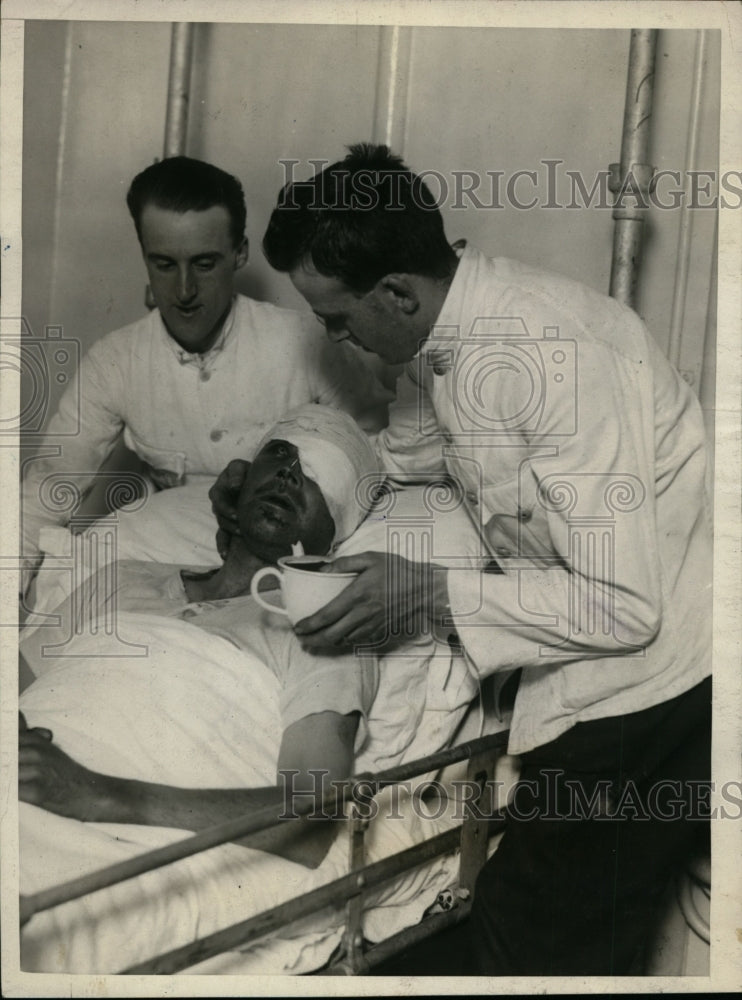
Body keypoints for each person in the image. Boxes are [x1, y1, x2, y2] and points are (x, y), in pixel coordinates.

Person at [211, 143, 713, 975]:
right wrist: (275, 464)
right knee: (553, 938)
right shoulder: (448, 340)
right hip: (592, 678)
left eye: (337, 320)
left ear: (398, 295)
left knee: (529, 948)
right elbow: (414, 458)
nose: (335, 337)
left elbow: (625, 607)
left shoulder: (561, 355)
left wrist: (428, 595)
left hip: (653, 687)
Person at [19, 404, 382, 870]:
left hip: (112, 837)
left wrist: (97, 795)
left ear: (336, 532)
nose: (290, 474)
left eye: (318, 474)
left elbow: (310, 818)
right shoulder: (121, 577)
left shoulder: (324, 629)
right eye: (280, 453)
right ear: (242, 480)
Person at [19, 156, 392, 598]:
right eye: (163, 264)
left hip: (282, 577)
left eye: (204, 263)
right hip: (170, 569)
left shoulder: (305, 341)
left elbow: (379, 462)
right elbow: (44, 493)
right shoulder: (114, 361)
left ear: (240, 254)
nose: (183, 291)